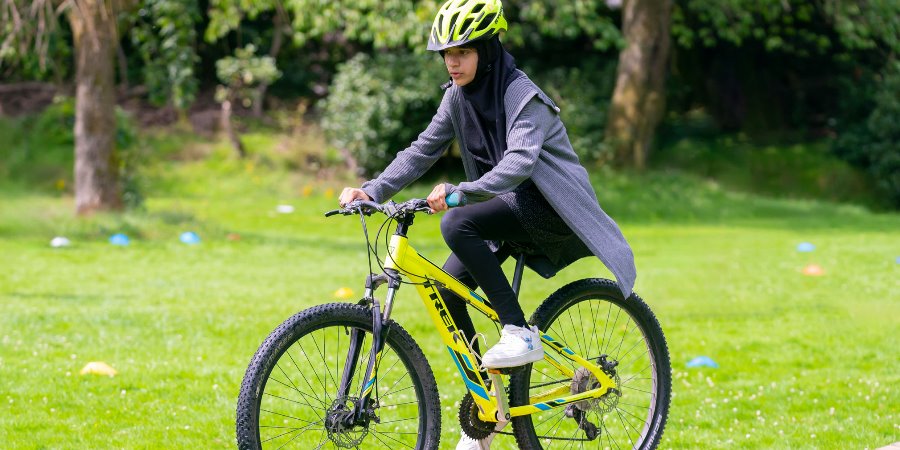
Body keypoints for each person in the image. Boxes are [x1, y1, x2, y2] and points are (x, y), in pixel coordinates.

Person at [338, 0, 636, 447]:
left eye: (462, 51)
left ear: (488, 50)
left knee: (456, 223)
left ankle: (518, 330)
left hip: (548, 209)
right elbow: (423, 149)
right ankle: (487, 410)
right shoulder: (457, 96)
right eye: (445, 54)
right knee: (442, 288)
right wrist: (374, 189)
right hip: (506, 207)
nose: (451, 62)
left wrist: (462, 192)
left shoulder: (523, 96)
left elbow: (518, 165)